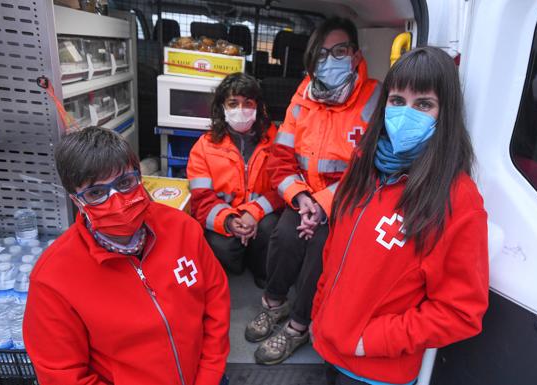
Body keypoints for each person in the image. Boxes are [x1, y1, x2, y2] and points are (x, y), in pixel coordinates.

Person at [311, 47, 490, 385]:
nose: (406, 113)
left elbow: (460, 312)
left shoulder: (458, 198)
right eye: (397, 100)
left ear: (445, 114)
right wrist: (319, 313)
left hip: (375, 371)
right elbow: (333, 252)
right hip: (328, 348)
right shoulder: (363, 165)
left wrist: (371, 341)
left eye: (424, 104)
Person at [23, 127, 230, 385]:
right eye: (96, 193)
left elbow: (216, 302)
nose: (118, 201)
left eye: (124, 183)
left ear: (140, 178)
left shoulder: (182, 228)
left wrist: (209, 376)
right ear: (77, 201)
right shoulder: (53, 280)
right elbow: (63, 375)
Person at [245, 17, 382, 365]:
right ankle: (273, 305)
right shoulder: (303, 93)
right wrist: (304, 200)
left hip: (347, 202)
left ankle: (298, 325)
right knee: (284, 237)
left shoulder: (374, 97)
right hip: (304, 196)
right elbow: (281, 157)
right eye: (322, 54)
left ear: (355, 55)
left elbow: (370, 168)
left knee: (322, 248)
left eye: (340, 51)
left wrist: (323, 206)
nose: (331, 60)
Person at [187, 73, 283, 288]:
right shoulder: (205, 146)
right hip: (226, 218)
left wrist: (253, 213)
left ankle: (262, 272)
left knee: (271, 229)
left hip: (262, 217)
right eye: (233, 103)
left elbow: (282, 188)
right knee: (223, 247)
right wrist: (229, 221)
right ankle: (239, 259)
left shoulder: (276, 141)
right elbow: (200, 200)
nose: (241, 110)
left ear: (258, 106)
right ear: (222, 107)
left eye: (248, 103)